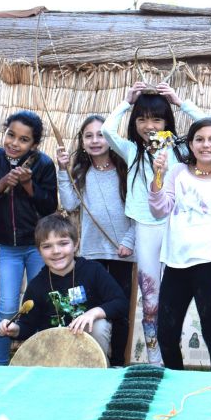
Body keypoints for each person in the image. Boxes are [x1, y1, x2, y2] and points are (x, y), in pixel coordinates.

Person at [103, 81, 205, 365]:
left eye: (157, 118)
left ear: (168, 120)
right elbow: (106, 131)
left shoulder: (182, 149)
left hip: (177, 229)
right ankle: (154, 359)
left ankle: (177, 354)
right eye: (142, 118)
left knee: (178, 295)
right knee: (150, 297)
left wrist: (179, 101)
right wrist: (126, 101)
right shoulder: (131, 151)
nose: (149, 125)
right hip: (146, 230)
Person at [149, 117, 211, 373]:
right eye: (199, 139)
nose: (205, 145)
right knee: (166, 334)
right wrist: (158, 176)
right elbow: (159, 210)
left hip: (207, 269)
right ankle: (176, 382)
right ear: (190, 144)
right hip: (175, 266)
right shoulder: (177, 173)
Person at [0, 110, 59, 366]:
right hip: (8, 248)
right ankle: (0, 364)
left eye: (23, 139)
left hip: (37, 247)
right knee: (8, 307)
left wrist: (29, 185)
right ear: (5, 131)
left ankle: (42, 361)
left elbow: (49, 207)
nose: (14, 143)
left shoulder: (43, 164)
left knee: (42, 303)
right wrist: (1, 184)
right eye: (11, 135)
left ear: (34, 144)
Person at [57, 115, 135, 366]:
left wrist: (129, 241)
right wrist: (62, 170)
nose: (95, 140)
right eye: (88, 136)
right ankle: (93, 360)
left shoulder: (126, 169)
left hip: (123, 252)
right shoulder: (81, 172)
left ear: (111, 138)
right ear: (81, 141)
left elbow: (137, 211)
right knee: (92, 307)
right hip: (92, 253)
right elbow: (69, 204)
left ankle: (118, 364)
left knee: (120, 309)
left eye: (101, 134)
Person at [0, 214, 126, 361]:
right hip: (55, 352)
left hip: (89, 352)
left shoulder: (93, 271)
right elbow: (28, 325)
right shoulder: (37, 285)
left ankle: (98, 372)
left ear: (76, 244)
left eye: (63, 243)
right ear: (39, 251)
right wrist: (15, 330)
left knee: (99, 325)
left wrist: (94, 313)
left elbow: (121, 303)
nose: (56, 251)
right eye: (47, 246)